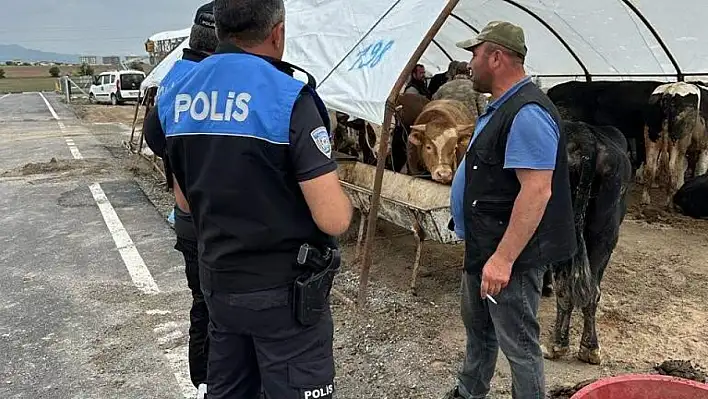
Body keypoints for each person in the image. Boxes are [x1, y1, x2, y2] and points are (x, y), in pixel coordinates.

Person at [156, 0, 353, 398]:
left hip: (219, 286)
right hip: (283, 297)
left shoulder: (175, 92)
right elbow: (333, 219)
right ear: (277, 32)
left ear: (222, 28)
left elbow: (185, 200)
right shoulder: (288, 96)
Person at [445, 21, 577, 399]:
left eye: (474, 54)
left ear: (496, 57)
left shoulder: (526, 113)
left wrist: (502, 260)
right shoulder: (503, 106)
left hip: (510, 256)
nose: (469, 63)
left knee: (519, 345)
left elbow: (536, 191)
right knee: (479, 331)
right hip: (485, 243)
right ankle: (470, 391)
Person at [143, 3, 219, 398]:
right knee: (221, 306)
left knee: (200, 301)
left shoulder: (173, 78)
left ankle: (204, 380)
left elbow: (155, 140)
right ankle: (220, 380)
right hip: (214, 220)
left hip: (186, 216)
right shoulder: (212, 80)